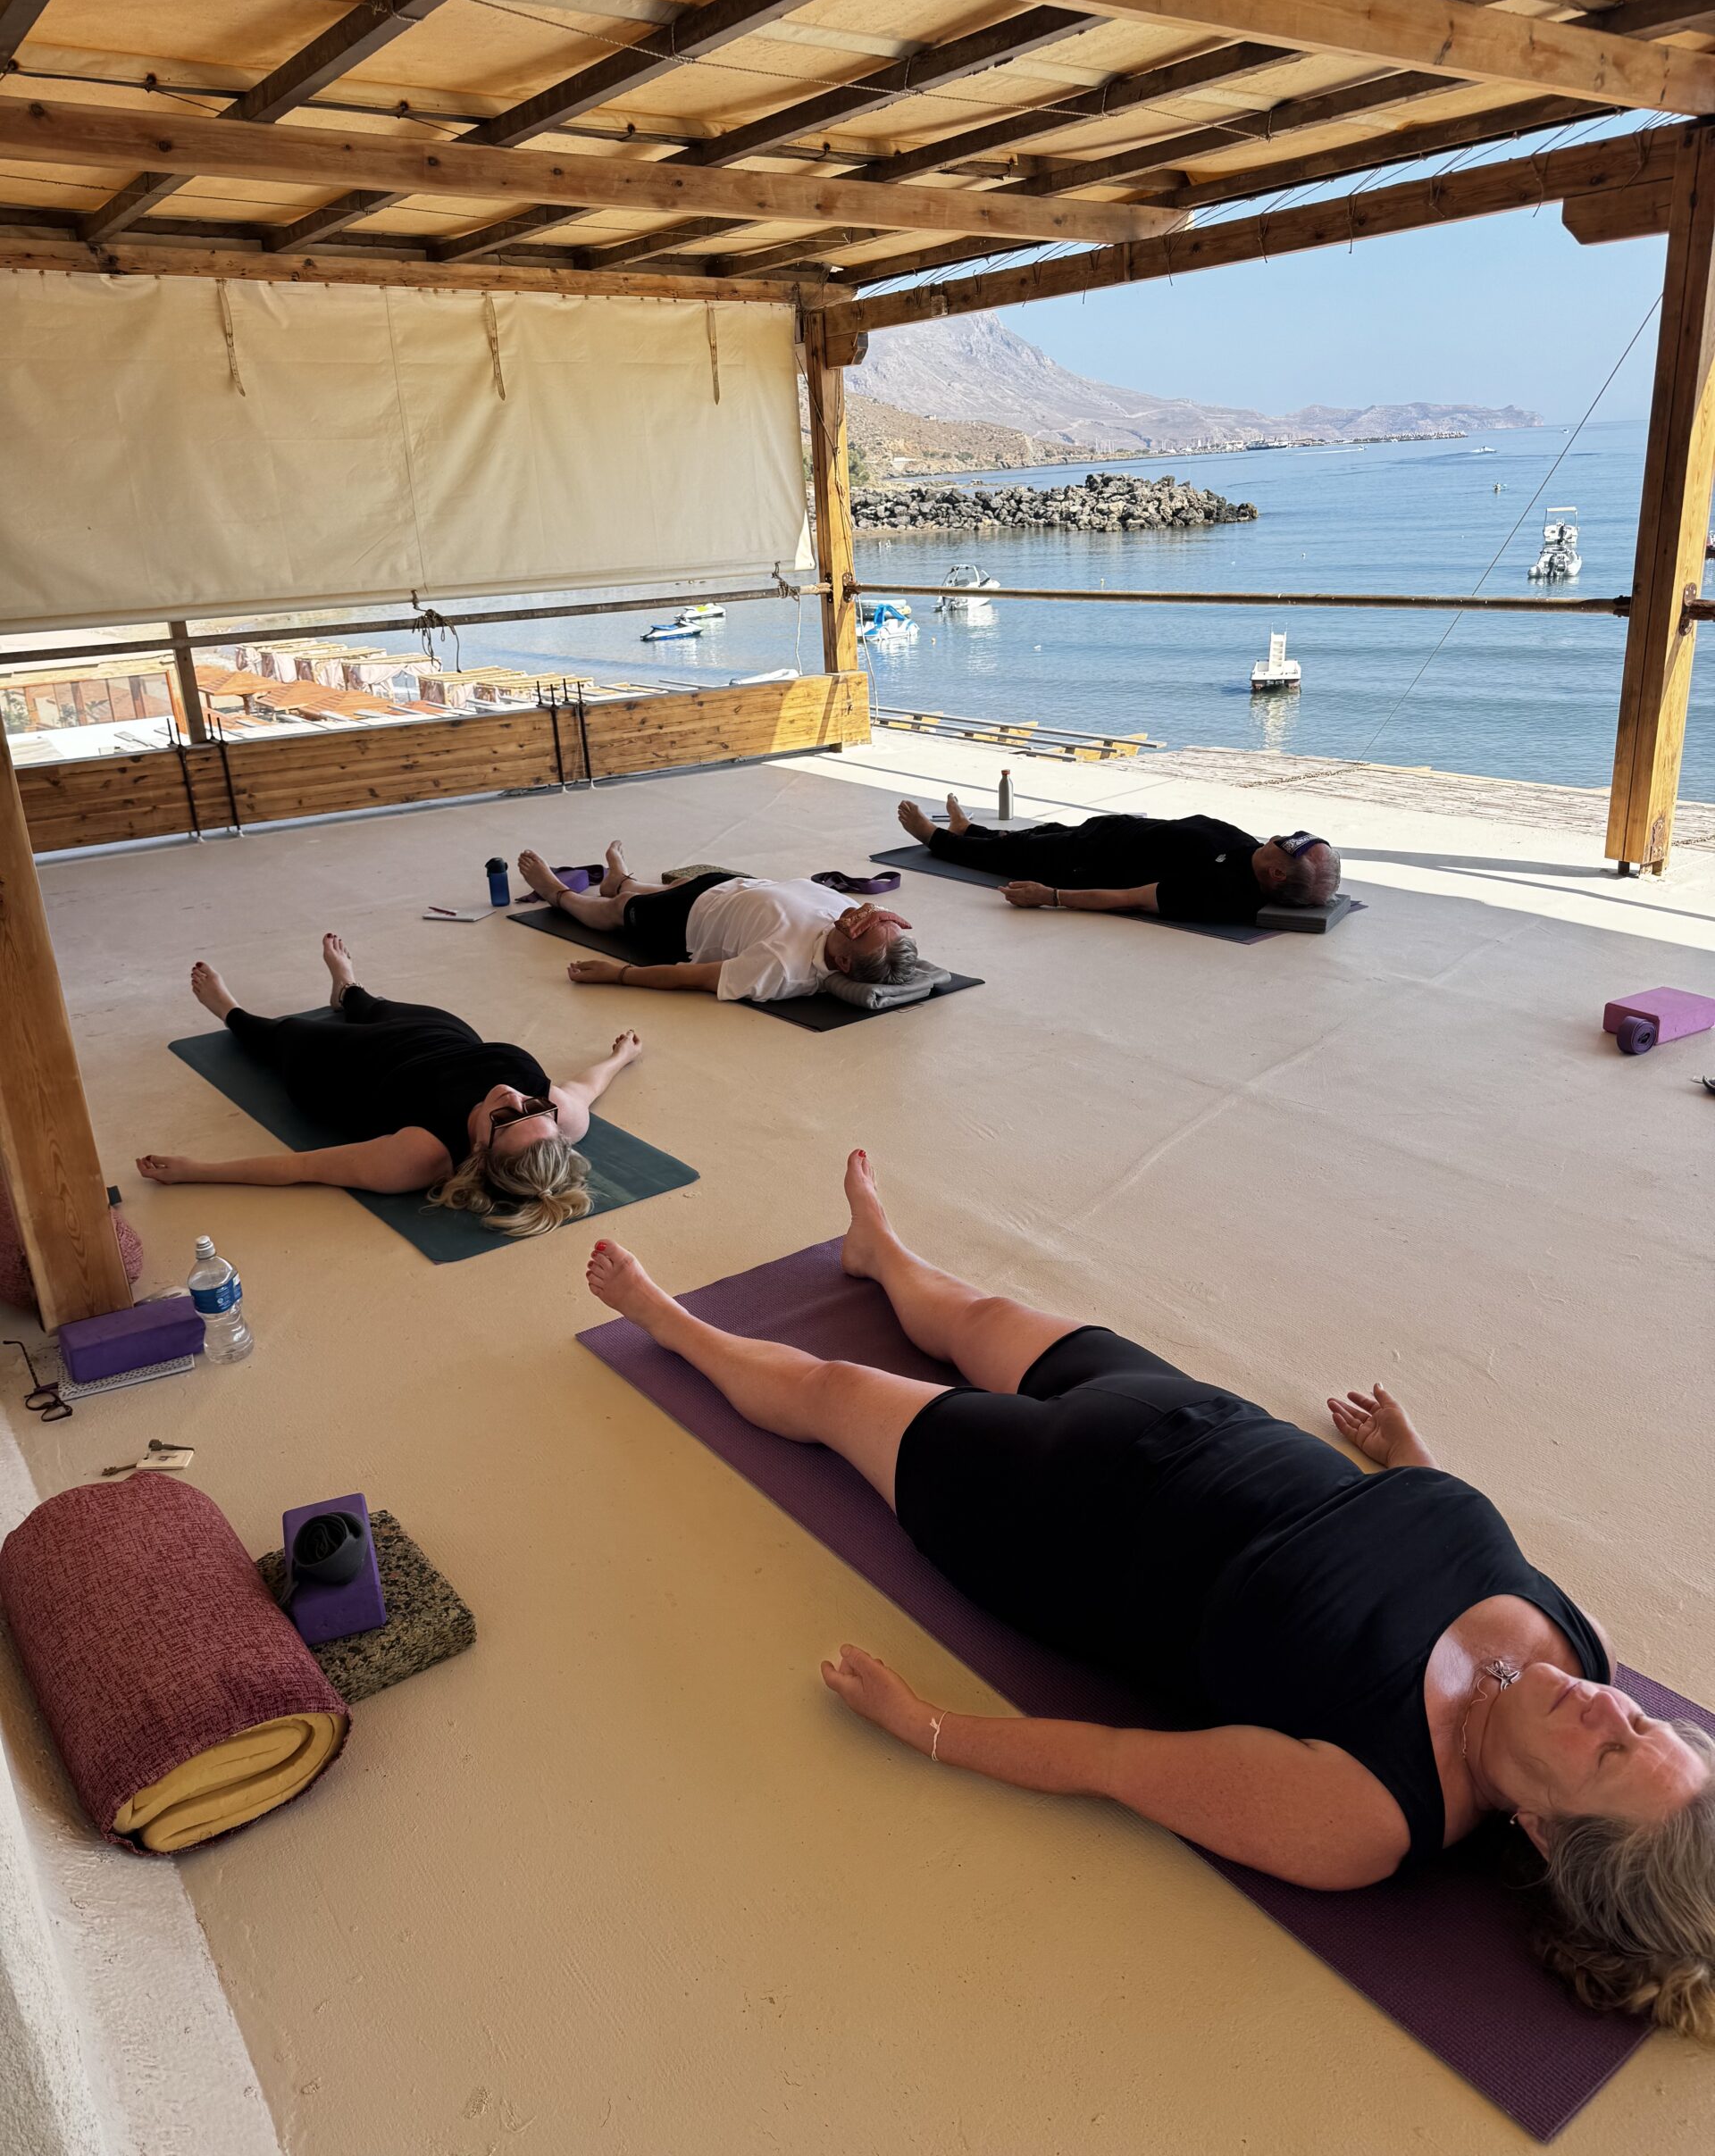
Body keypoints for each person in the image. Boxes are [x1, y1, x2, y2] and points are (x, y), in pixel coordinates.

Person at [583, 1149, 1715, 2038]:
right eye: (1650, 1724)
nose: (1614, 1709)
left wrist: (923, 1723)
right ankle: (880, 1255)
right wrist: (1408, 1455)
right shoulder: (1584, 1647)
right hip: (1202, 1417)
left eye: (1612, 1754)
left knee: (836, 1390)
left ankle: (672, 1326)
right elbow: (1456, 1538)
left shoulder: (1369, 1815)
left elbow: (1113, 1763)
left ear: (1546, 1832)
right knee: (980, 1315)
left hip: (1053, 1518)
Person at [137, 933, 641, 1239]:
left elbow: (301, 1168)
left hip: (349, 1072)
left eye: (506, 1118)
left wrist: (196, 1171)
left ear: (479, 1150)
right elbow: (587, 1086)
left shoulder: (420, 1157)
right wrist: (620, 1058)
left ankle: (230, 1012)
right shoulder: (562, 1116)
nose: (514, 1096)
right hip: (438, 1039)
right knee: (373, 1006)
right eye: (533, 1107)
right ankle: (348, 989)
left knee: (283, 1034)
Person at [519, 843, 917, 1004]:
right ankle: (620, 881)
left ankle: (559, 894)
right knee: (672, 886)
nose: (860, 915)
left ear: (844, 962)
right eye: (874, 916)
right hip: (728, 887)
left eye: (861, 927)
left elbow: (693, 978)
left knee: (618, 910)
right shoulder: (861, 932)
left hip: (686, 922)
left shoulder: (781, 969)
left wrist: (619, 974)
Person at [899, 792, 1341, 923]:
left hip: (1088, 862)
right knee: (1038, 833)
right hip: (1111, 833)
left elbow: (1131, 898)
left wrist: (1051, 896)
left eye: (1286, 843)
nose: (1279, 836)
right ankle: (967, 829)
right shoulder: (1257, 858)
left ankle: (936, 838)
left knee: (1013, 853)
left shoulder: (1218, 892)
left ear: (1277, 873)